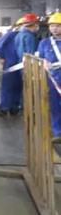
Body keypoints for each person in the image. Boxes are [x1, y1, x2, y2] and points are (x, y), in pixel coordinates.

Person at [0, 16, 34, 116]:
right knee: (8, 86)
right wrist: (1, 57)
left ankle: (14, 107)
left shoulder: (28, 36)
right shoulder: (11, 35)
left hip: (21, 65)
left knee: (19, 87)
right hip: (11, 64)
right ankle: (4, 108)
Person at [38, 13, 61, 143]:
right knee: (55, 106)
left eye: (58, 26)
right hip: (53, 79)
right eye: (52, 26)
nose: (54, 29)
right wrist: (43, 63)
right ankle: (58, 132)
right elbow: (40, 58)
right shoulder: (45, 43)